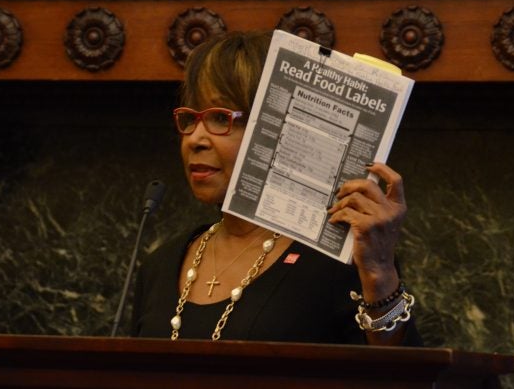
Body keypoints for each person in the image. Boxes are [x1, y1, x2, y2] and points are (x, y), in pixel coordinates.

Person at [131, 31, 421, 345]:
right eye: (189, 118)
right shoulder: (159, 265)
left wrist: (379, 273)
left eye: (220, 117)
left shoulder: (338, 263)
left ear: (276, 128)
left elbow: (396, 374)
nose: (195, 139)